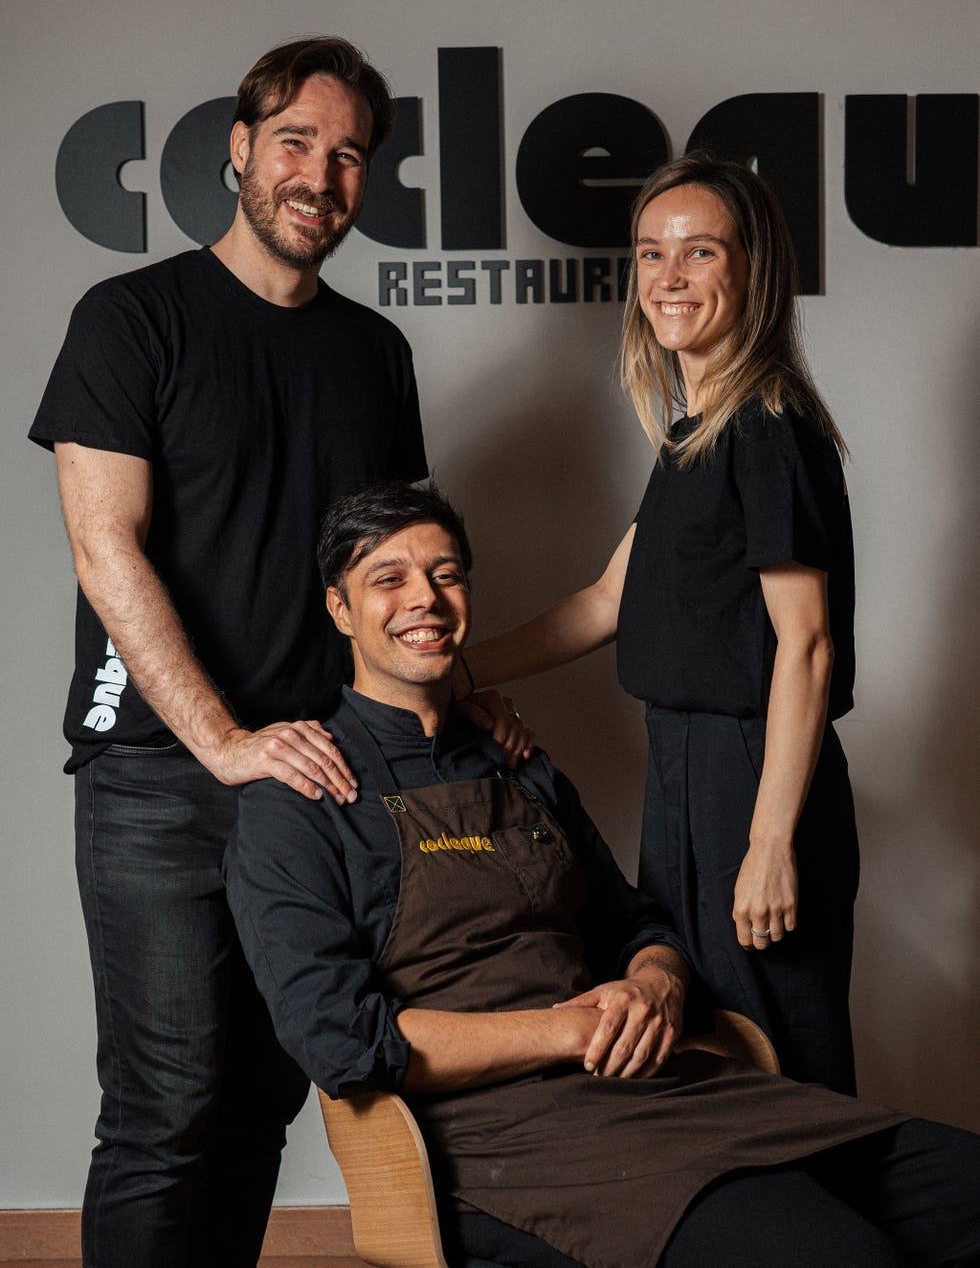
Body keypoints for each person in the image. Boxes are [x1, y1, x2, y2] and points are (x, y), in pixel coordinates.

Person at [225, 481, 979, 1268]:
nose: (427, 598)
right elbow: (342, 1041)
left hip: (661, 1093)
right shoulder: (298, 800)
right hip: (506, 1146)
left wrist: (655, 985)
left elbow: (632, 925)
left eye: (446, 574)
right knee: (841, 1254)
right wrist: (571, 1029)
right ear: (340, 609)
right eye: (389, 578)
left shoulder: (516, 761)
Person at [28, 36, 435, 1268]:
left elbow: (387, 575)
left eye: (350, 152)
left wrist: (445, 708)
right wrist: (222, 739)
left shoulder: (375, 354)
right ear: (240, 149)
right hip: (159, 771)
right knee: (166, 1111)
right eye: (298, 141)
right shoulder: (132, 318)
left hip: (310, 778)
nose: (321, 172)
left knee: (261, 1108)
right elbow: (107, 548)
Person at [457, 151, 862, 1094]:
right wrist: (456, 675)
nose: (669, 279)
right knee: (712, 1048)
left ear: (751, 270)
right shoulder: (696, 433)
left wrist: (768, 846)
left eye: (700, 252)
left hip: (751, 774)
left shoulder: (766, 426)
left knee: (783, 1062)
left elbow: (805, 643)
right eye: (650, 254)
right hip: (682, 767)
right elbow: (605, 601)